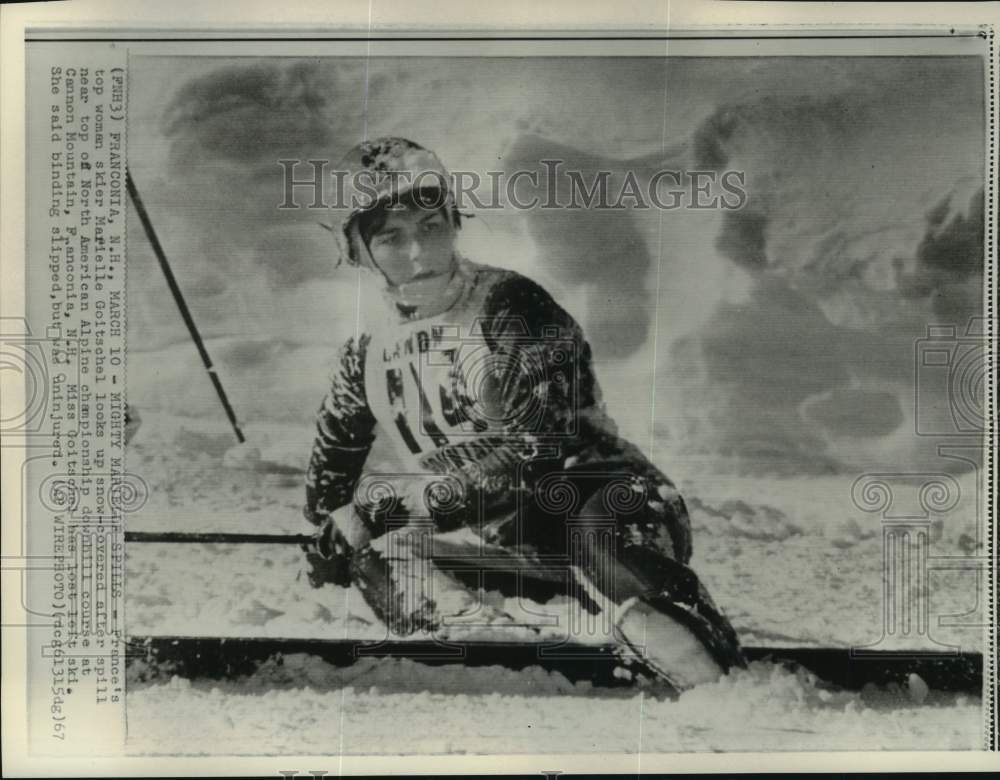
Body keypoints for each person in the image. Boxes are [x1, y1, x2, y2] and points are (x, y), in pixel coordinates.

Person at [302, 137, 744, 690]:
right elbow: (330, 485)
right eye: (391, 237)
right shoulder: (366, 352)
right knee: (383, 551)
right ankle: (478, 649)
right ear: (358, 250)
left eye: (432, 227)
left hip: (605, 507)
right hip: (503, 548)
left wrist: (400, 504)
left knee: (598, 528)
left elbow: (540, 452)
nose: (418, 252)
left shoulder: (510, 306)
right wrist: (334, 534)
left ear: (454, 223)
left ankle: (703, 661)